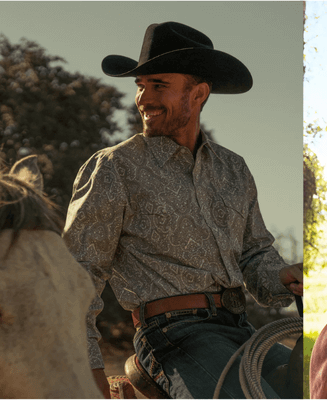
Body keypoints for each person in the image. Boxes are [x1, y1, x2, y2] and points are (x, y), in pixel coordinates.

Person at [63, 22, 302, 399]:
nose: (143, 99)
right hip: (172, 336)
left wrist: (283, 275)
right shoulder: (114, 168)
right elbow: (77, 279)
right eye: (141, 86)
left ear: (199, 93)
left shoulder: (233, 169)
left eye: (159, 85)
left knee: (323, 381)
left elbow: (254, 252)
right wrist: (88, 371)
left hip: (242, 331)